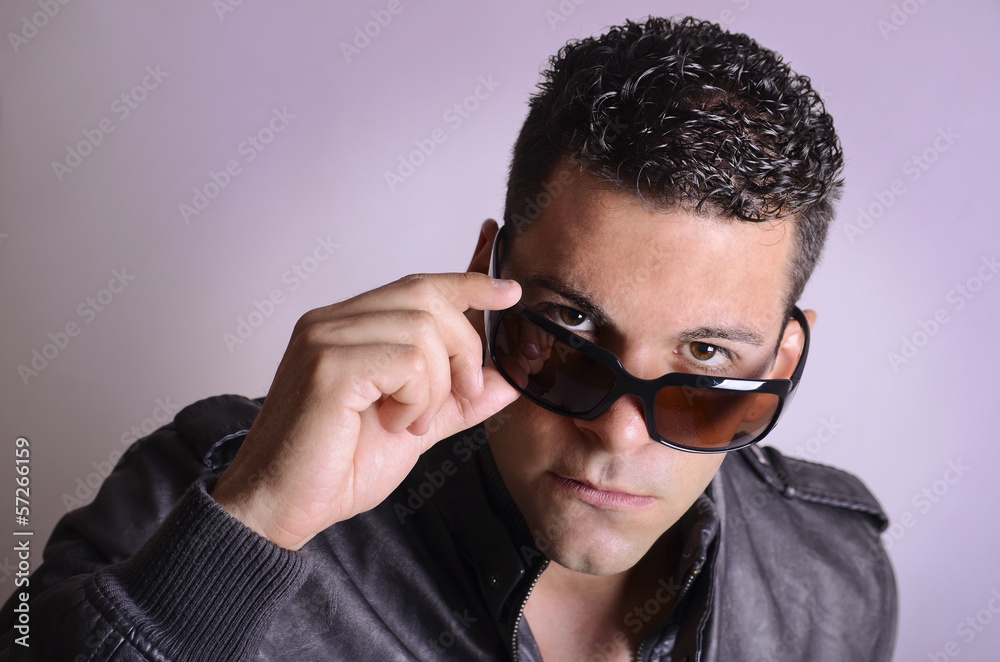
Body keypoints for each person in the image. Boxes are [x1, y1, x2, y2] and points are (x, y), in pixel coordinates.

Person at [0, 16, 896, 661]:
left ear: (782, 361)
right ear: (485, 277)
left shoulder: (832, 574)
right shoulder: (212, 487)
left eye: (704, 358)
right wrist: (257, 522)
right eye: (572, 327)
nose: (618, 436)